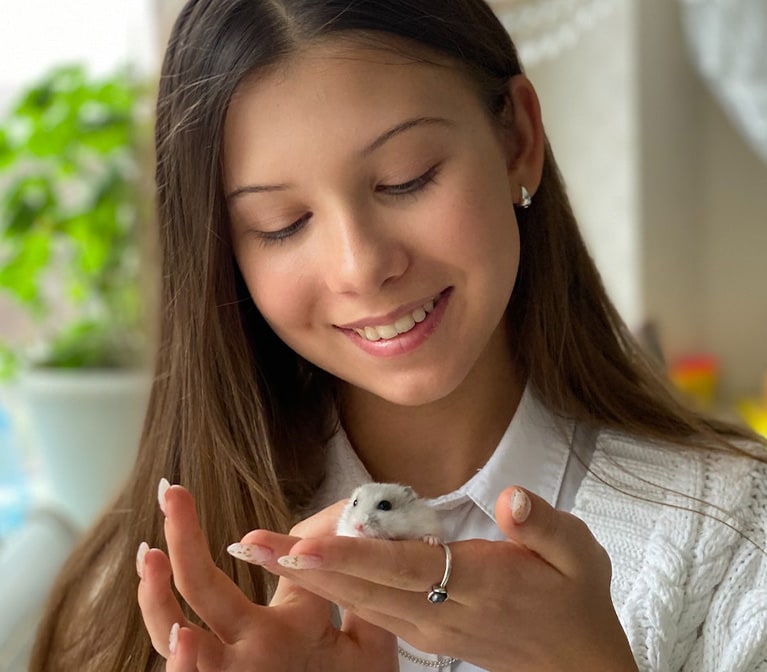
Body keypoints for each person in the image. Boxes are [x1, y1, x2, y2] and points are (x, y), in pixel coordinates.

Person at [30, 1, 767, 670]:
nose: (361, 267)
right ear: (225, 252)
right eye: (281, 225)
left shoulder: (738, 538)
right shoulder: (134, 601)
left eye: (406, 179)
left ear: (517, 139)